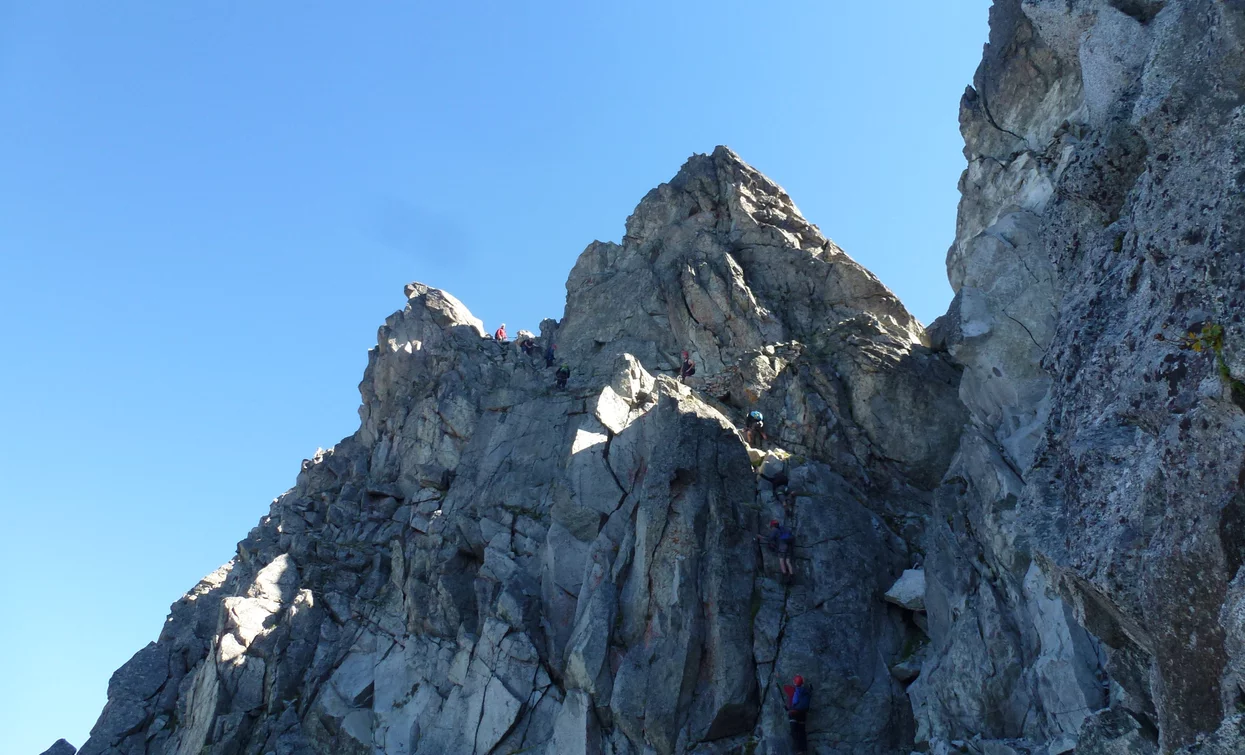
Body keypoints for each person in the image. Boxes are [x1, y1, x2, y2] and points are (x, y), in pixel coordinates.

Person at [784, 674, 811, 754]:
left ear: (795, 683)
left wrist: (788, 708)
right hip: (803, 714)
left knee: (794, 732)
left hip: (794, 713)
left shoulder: (796, 690)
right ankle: (803, 749)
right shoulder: (807, 691)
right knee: (802, 731)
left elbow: (795, 702)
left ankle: (798, 750)